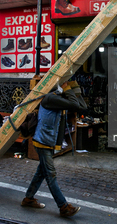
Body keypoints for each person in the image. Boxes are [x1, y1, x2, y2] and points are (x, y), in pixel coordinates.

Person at [21, 81, 87, 217]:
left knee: (41, 173)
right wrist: (69, 89)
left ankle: (28, 198)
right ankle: (63, 207)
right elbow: (74, 104)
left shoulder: (59, 98)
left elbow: (82, 106)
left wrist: (76, 90)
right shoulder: (50, 98)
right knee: (50, 174)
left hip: (48, 141)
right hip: (42, 141)